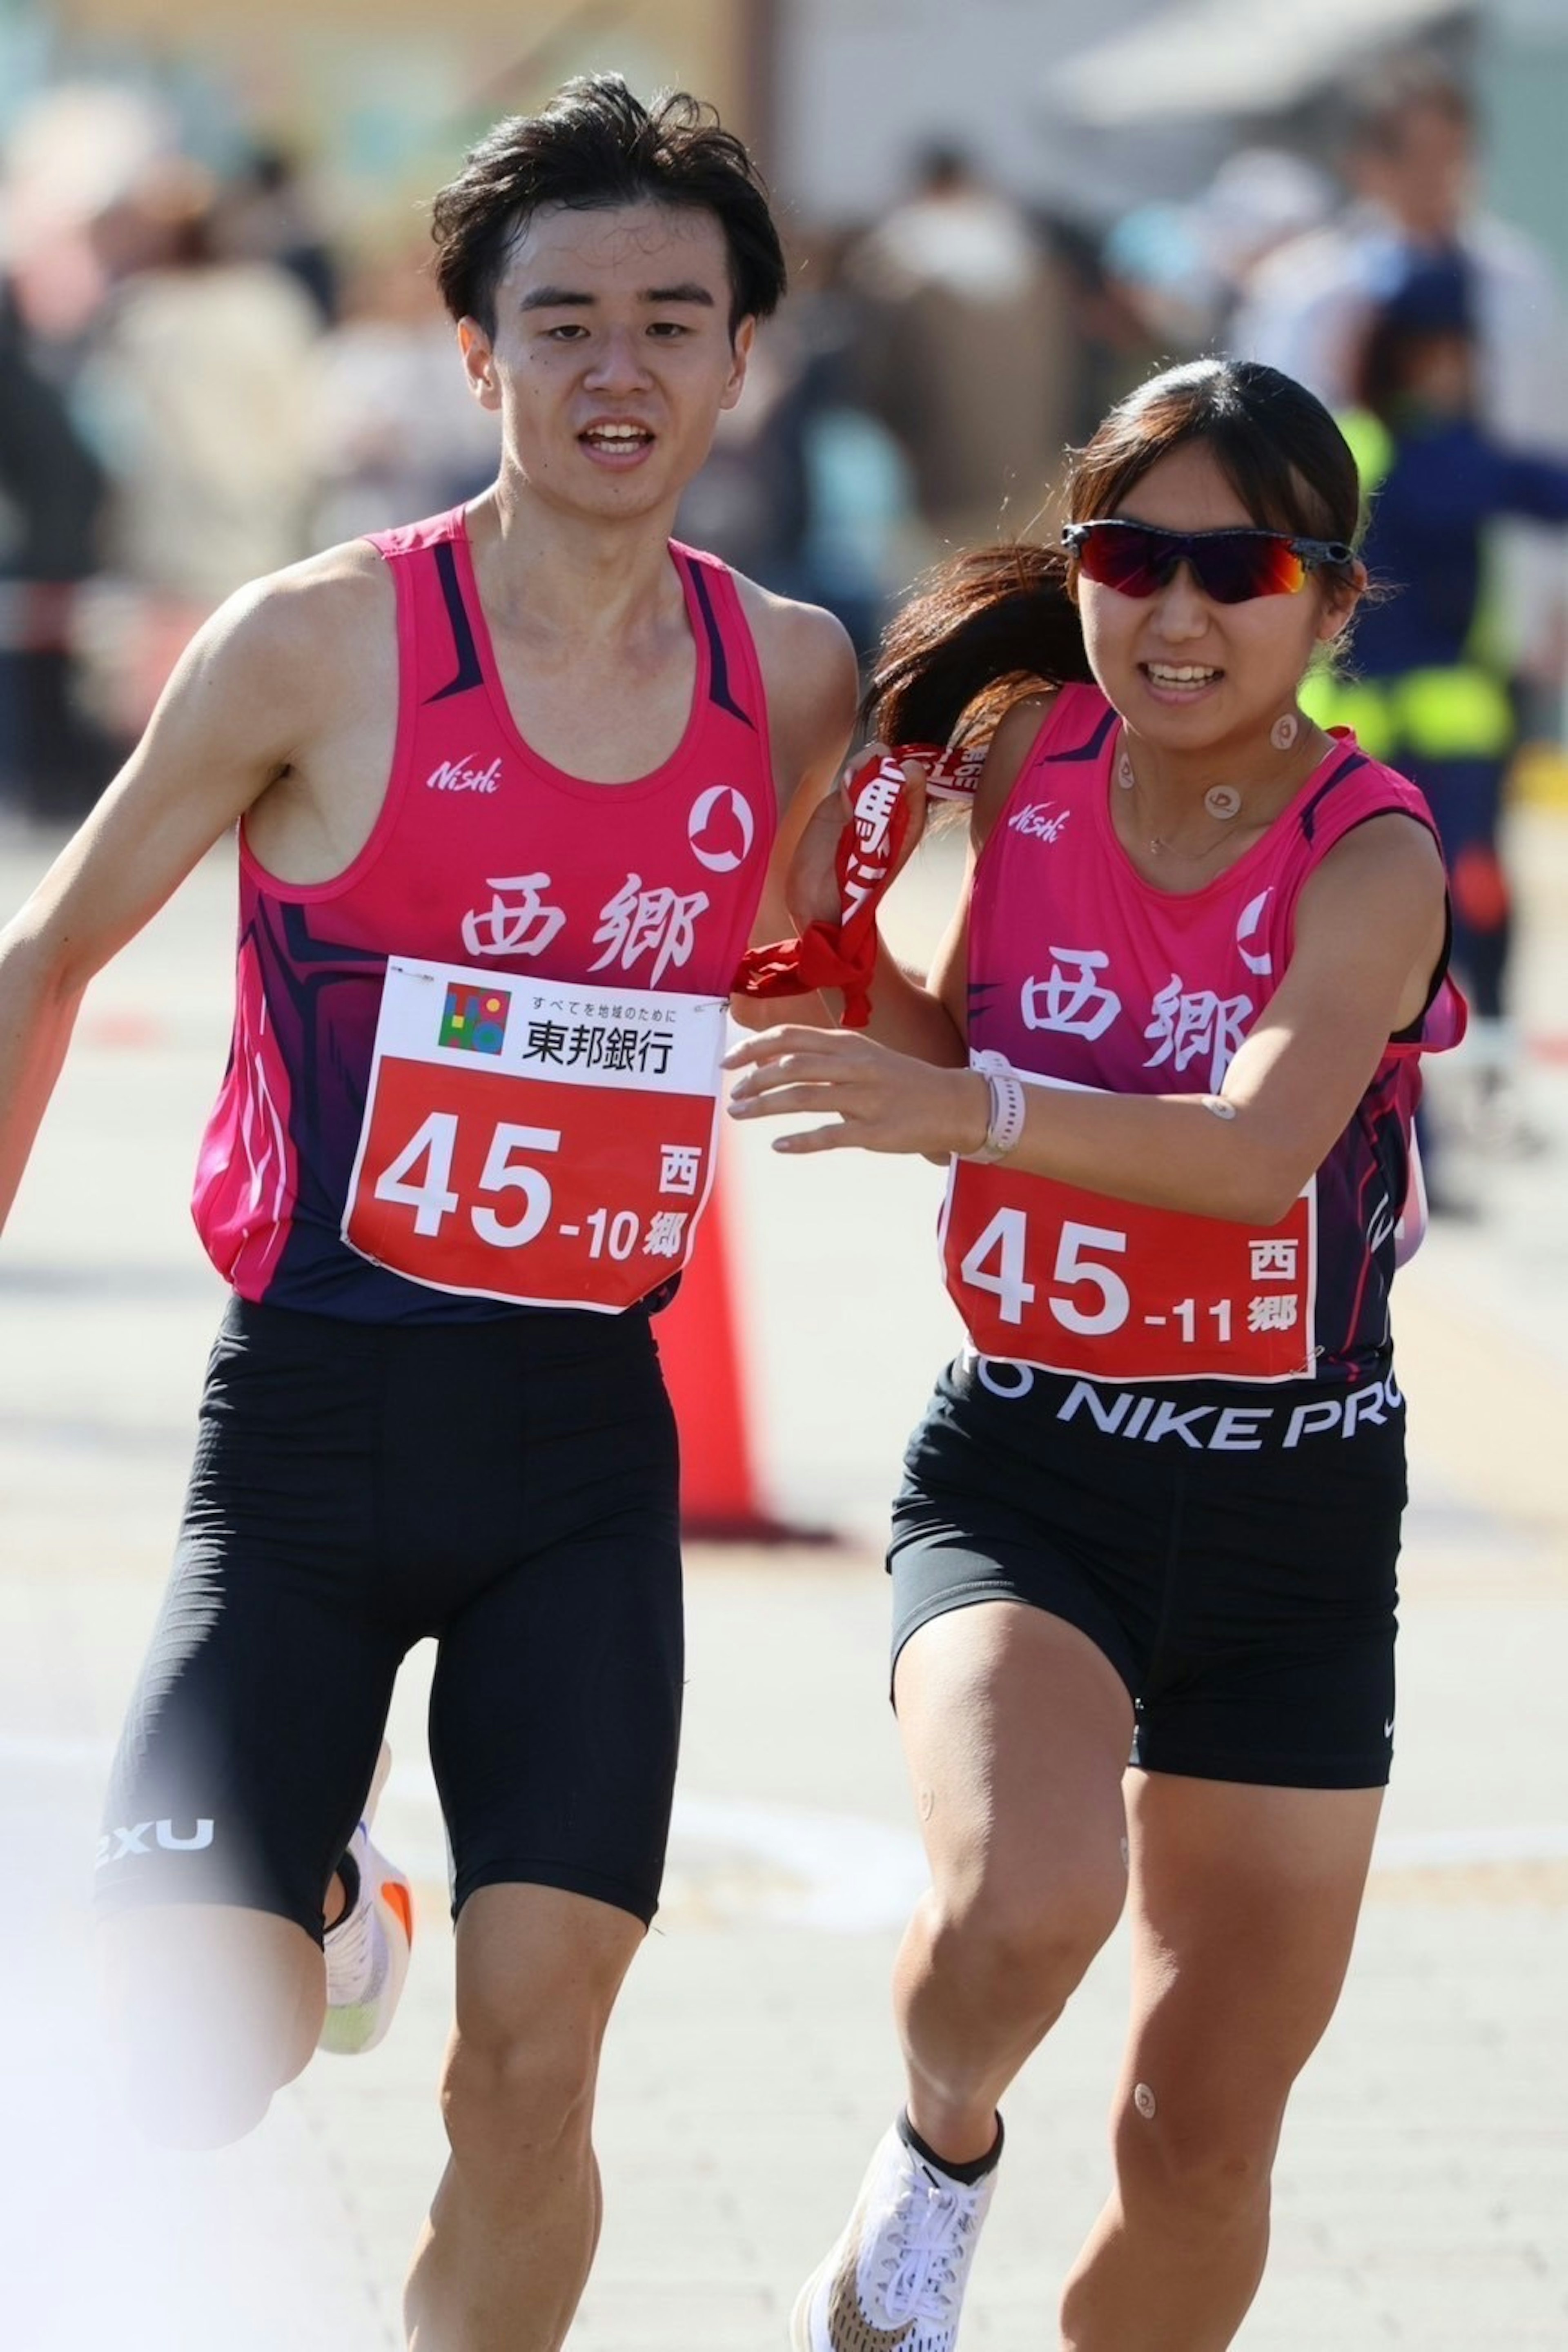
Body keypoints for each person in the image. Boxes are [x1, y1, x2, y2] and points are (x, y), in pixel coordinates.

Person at [0, 75, 857, 2352]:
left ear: (741, 356)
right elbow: (43, 958)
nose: (619, 371)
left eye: (674, 321)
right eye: (561, 320)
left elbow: (850, 973)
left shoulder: (787, 678)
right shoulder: (313, 645)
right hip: (305, 1431)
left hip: (584, 1449)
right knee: (196, 2062)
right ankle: (330, 1896)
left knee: (536, 2067)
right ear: (470, 352)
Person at [727, 356, 1464, 2351]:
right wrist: (834, 962)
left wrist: (962, 1114)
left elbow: (1246, 1153)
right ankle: (936, 2146)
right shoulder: (1016, 756)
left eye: (1239, 568)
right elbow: (926, 1048)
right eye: (1135, 557)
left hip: (1299, 1511)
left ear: (1330, 601)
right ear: (1082, 577)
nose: (1180, 610)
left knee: (1198, 2139)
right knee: (1016, 1906)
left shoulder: (1370, 853)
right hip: (1028, 1465)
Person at [1303, 253, 1568, 1163]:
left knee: (1369, 928)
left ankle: (1399, 1112)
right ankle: (1436, 1121)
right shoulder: (1447, 455)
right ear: (1427, 356)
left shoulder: (1344, 446)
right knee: (1460, 922)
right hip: (1445, 741)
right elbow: (1545, 492)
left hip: (1349, 734)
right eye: (1453, 352)